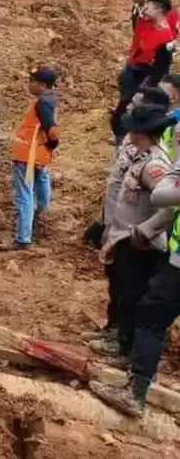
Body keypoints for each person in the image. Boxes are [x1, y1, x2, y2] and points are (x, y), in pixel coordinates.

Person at [91, 144, 180, 417]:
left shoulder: (159, 163)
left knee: (150, 315)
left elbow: (163, 196)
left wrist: (175, 171)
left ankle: (135, 392)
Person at [90, 104, 175, 362]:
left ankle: (126, 351)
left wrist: (143, 232)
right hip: (124, 238)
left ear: (143, 131)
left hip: (141, 245)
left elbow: (170, 206)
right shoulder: (138, 156)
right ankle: (117, 338)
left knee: (132, 296)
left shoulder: (154, 165)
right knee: (121, 292)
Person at [7, 67, 60, 250]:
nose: (29, 85)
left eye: (32, 81)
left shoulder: (42, 102)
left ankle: (23, 237)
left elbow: (51, 130)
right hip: (39, 154)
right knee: (41, 183)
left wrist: (52, 144)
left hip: (27, 154)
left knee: (24, 195)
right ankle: (41, 220)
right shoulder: (51, 100)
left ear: (43, 85)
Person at [113, 0, 177, 144]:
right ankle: (120, 135)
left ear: (159, 11)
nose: (145, 10)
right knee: (123, 105)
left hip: (146, 78)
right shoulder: (148, 24)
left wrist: (145, 89)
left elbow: (161, 68)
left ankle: (125, 140)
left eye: (149, 7)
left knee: (132, 108)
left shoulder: (166, 37)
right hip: (135, 72)